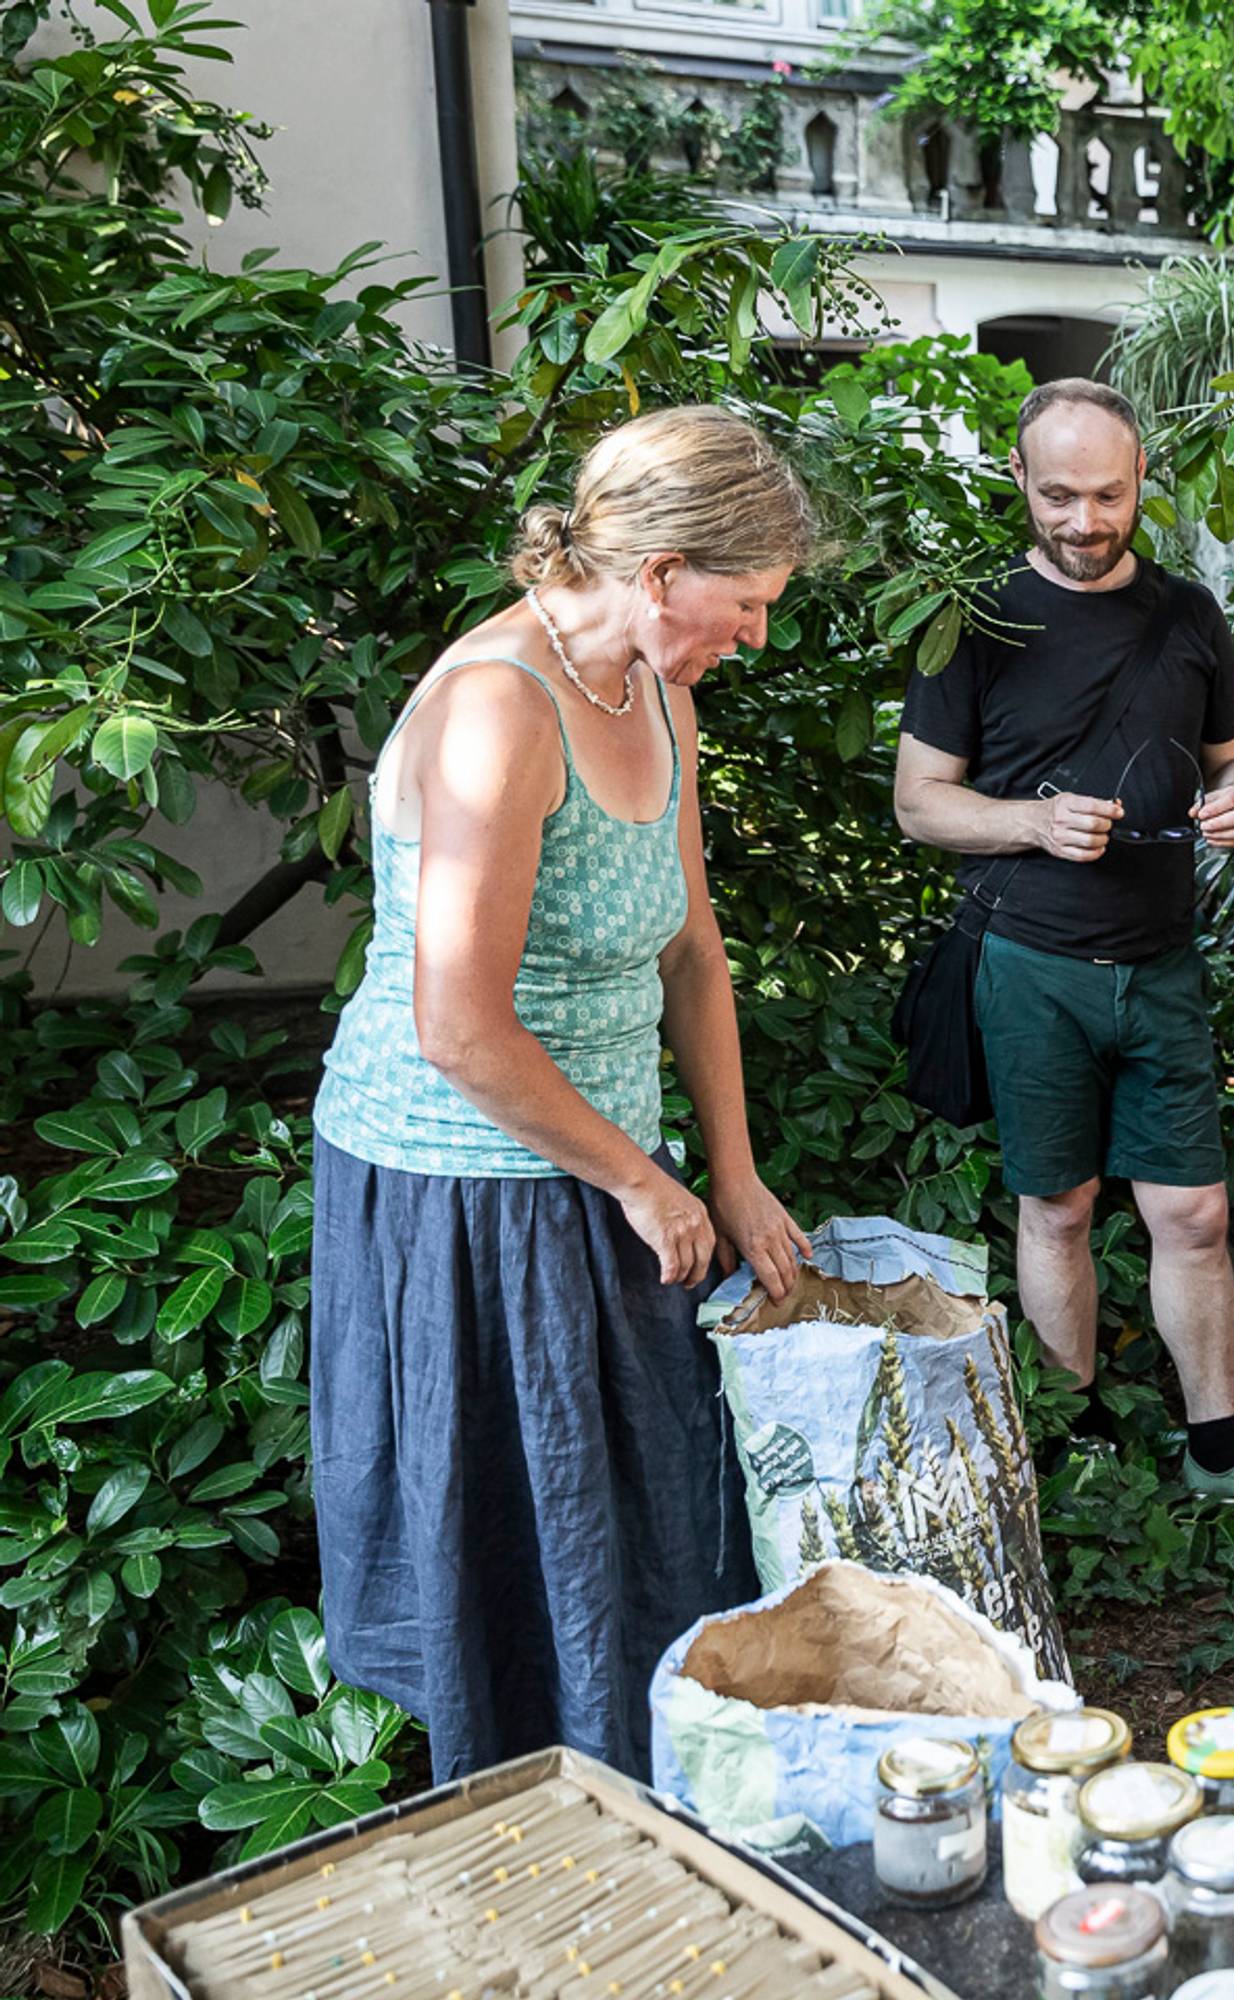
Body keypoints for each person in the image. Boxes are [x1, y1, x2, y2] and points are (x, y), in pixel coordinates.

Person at [308, 406, 818, 1781]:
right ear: (658, 574)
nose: (756, 635)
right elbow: (458, 1027)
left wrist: (731, 1167)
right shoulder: (498, 706)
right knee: (520, 1581)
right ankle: (521, 1847)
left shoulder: (658, 687)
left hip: (600, 1165)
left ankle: (632, 1816)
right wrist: (639, 1178)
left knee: (628, 1544)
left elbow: (695, 950)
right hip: (463, 1195)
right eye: (748, 603)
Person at [893, 378, 1234, 1518]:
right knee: (1058, 1208)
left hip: (1162, 961)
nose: (1085, 521)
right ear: (1018, 481)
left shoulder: (1189, 613)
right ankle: (1080, 1445)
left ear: (1142, 480)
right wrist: (1033, 820)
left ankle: (1219, 1450)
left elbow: (1232, 754)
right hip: (1032, 963)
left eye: (1106, 494)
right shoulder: (976, 619)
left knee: (1193, 1212)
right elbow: (920, 804)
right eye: (1058, 495)